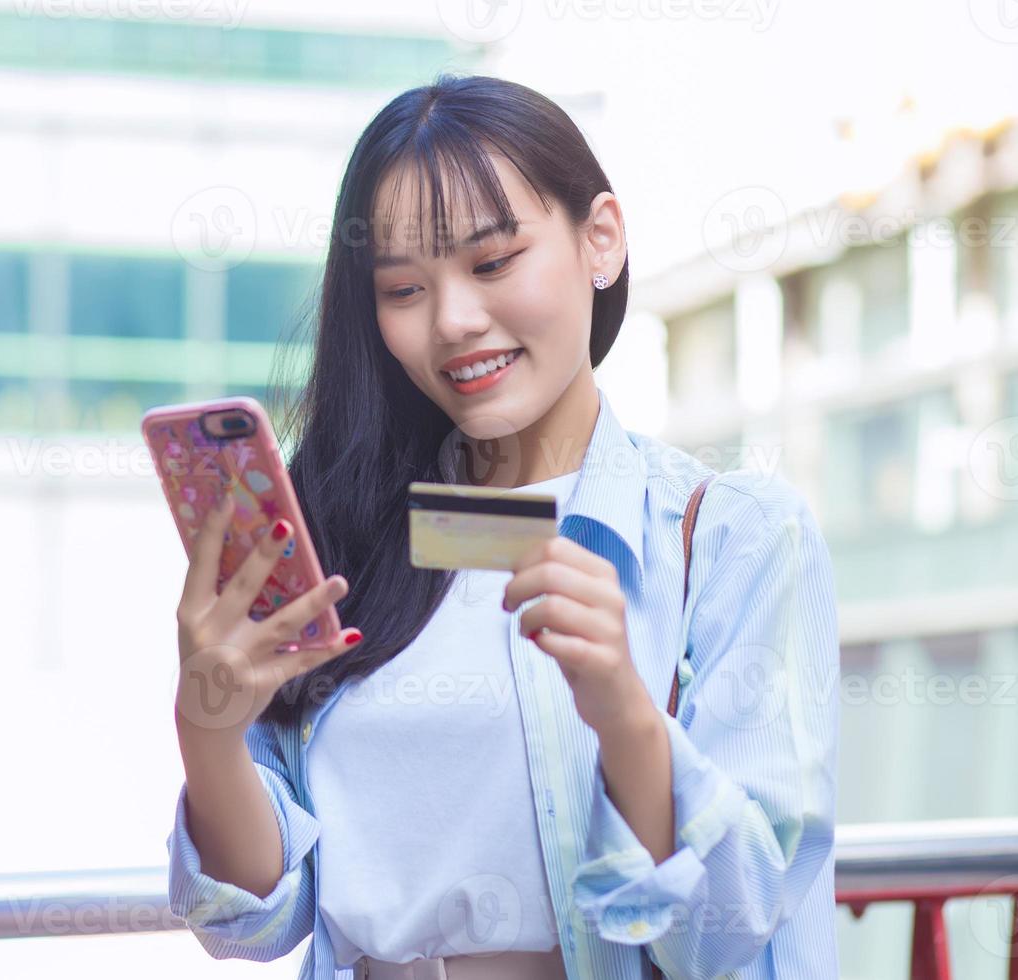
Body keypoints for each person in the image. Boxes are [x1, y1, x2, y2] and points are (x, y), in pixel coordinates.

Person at [166, 73, 839, 980]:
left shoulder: (735, 537)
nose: (453, 321)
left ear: (600, 239)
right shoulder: (345, 532)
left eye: (492, 263)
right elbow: (254, 923)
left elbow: (731, 926)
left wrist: (626, 718)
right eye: (403, 289)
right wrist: (208, 729)